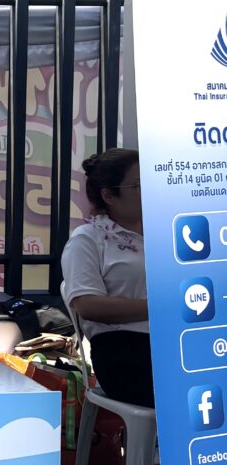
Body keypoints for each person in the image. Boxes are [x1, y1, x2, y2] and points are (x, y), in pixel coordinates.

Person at [61, 148, 152, 407]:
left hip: (175, 340)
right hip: (125, 351)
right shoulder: (88, 239)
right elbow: (88, 305)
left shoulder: (167, 233)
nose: (150, 190)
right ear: (109, 195)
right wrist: (159, 308)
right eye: (138, 185)